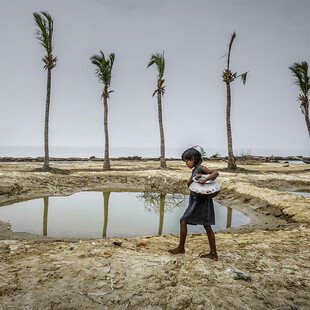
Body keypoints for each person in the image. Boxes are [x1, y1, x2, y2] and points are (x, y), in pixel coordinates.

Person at [168, 147, 219, 260]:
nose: (186, 163)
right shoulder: (195, 170)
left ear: (193, 158)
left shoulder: (201, 168)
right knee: (207, 226)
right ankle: (213, 253)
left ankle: (181, 248)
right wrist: (194, 178)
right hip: (199, 200)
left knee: (183, 220)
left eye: (187, 161)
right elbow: (189, 184)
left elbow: (215, 173)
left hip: (200, 201)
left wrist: (205, 179)